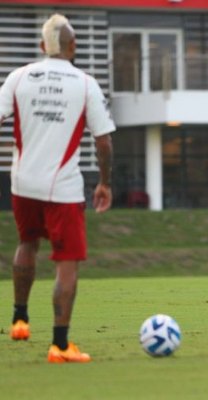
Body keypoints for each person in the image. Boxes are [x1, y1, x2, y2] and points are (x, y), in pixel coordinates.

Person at [0, 14, 115, 362]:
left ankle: (20, 320)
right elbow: (104, 141)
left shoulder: (18, 77)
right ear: (73, 46)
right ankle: (61, 344)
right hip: (62, 187)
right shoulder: (84, 83)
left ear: (41, 47)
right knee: (67, 262)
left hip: (22, 182)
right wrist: (105, 183)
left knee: (26, 242)